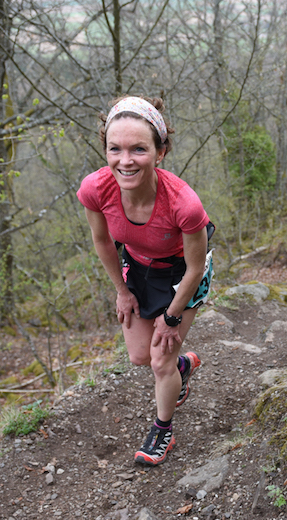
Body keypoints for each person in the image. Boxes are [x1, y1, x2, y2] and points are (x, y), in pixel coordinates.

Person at [77, 95, 213, 466]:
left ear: (160, 151)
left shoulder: (184, 204)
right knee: (139, 356)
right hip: (136, 268)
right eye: (114, 149)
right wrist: (122, 292)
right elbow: (103, 241)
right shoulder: (95, 189)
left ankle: (162, 429)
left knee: (158, 362)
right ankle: (183, 367)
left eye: (138, 149)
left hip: (179, 276)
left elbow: (195, 268)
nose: (125, 160)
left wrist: (171, 318)